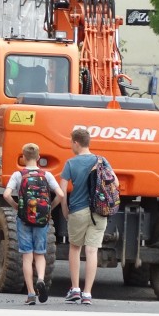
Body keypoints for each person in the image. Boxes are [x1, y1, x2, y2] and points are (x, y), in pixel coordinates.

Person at [3, 143, 63, 305]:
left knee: (27, 256)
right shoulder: (46, 175)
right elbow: (60, 194)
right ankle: (41, 280)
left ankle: (30, 294)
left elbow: (7, 195)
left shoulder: (18, 175)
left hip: (24, 219)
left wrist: (17, 207)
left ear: (23, 158)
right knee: (40, 254)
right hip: (42, 219)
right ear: (38, 157)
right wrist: (50, 209)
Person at [59, 126, 107, 306]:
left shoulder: (70, 163)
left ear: (76, 143)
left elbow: (62, 191)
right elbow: (115, 182)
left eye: (72, 142)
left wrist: (64, 209)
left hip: (78, 211)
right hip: (99, 211)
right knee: (92, 251)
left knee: (75, 248)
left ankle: (75, 289)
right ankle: (88, 293)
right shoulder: (101, 161)